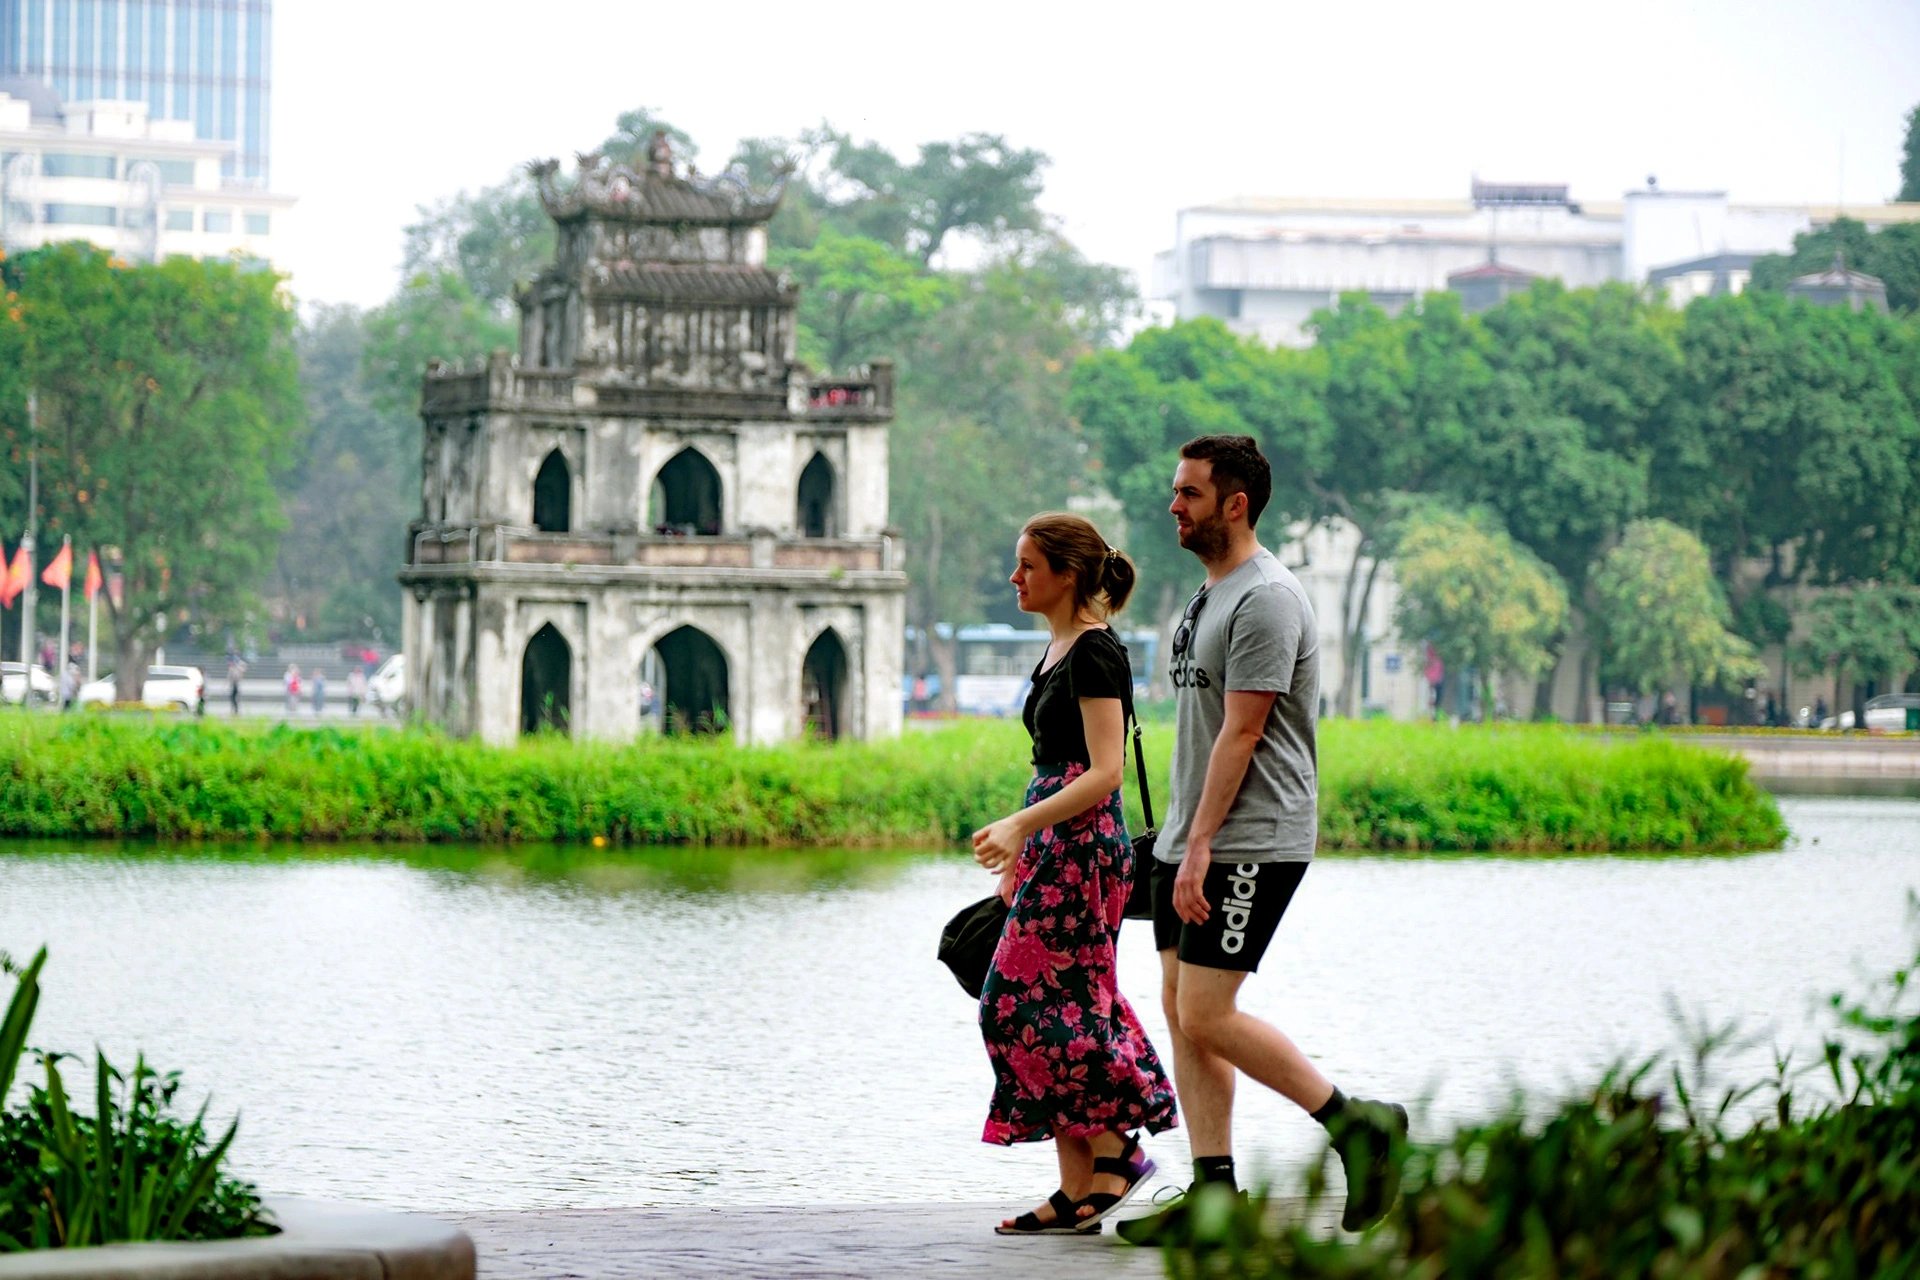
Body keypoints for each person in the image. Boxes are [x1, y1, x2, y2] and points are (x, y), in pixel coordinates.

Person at [1119, 435, 1406, 1246]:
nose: (1173, 506)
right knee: (1183, 1012)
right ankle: (1214, 1197)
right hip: (1193, 835)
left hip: (1252, 836)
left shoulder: (1267, 599)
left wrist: (1203, 843)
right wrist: (1178, 838)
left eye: (1190, 494)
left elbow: (1243, 733)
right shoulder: (1209, 596)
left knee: (1208, 1013)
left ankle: (1359, 1126)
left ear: (1234, 503)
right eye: (1175, 492)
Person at [971, 512, 1178, 1236]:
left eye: (1027, 565)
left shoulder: (1096, 653)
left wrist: (1023, 827)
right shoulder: (1057, 647)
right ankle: (1075, 1186)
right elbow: (1051, 767)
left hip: (1084, 852)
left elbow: (1107, 772)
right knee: (1042, 1007)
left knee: (1023, 1005)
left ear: (1065, 574)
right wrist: (1021, 855)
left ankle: (1118, 1151)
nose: (1015, 577)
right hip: (1051, 852)